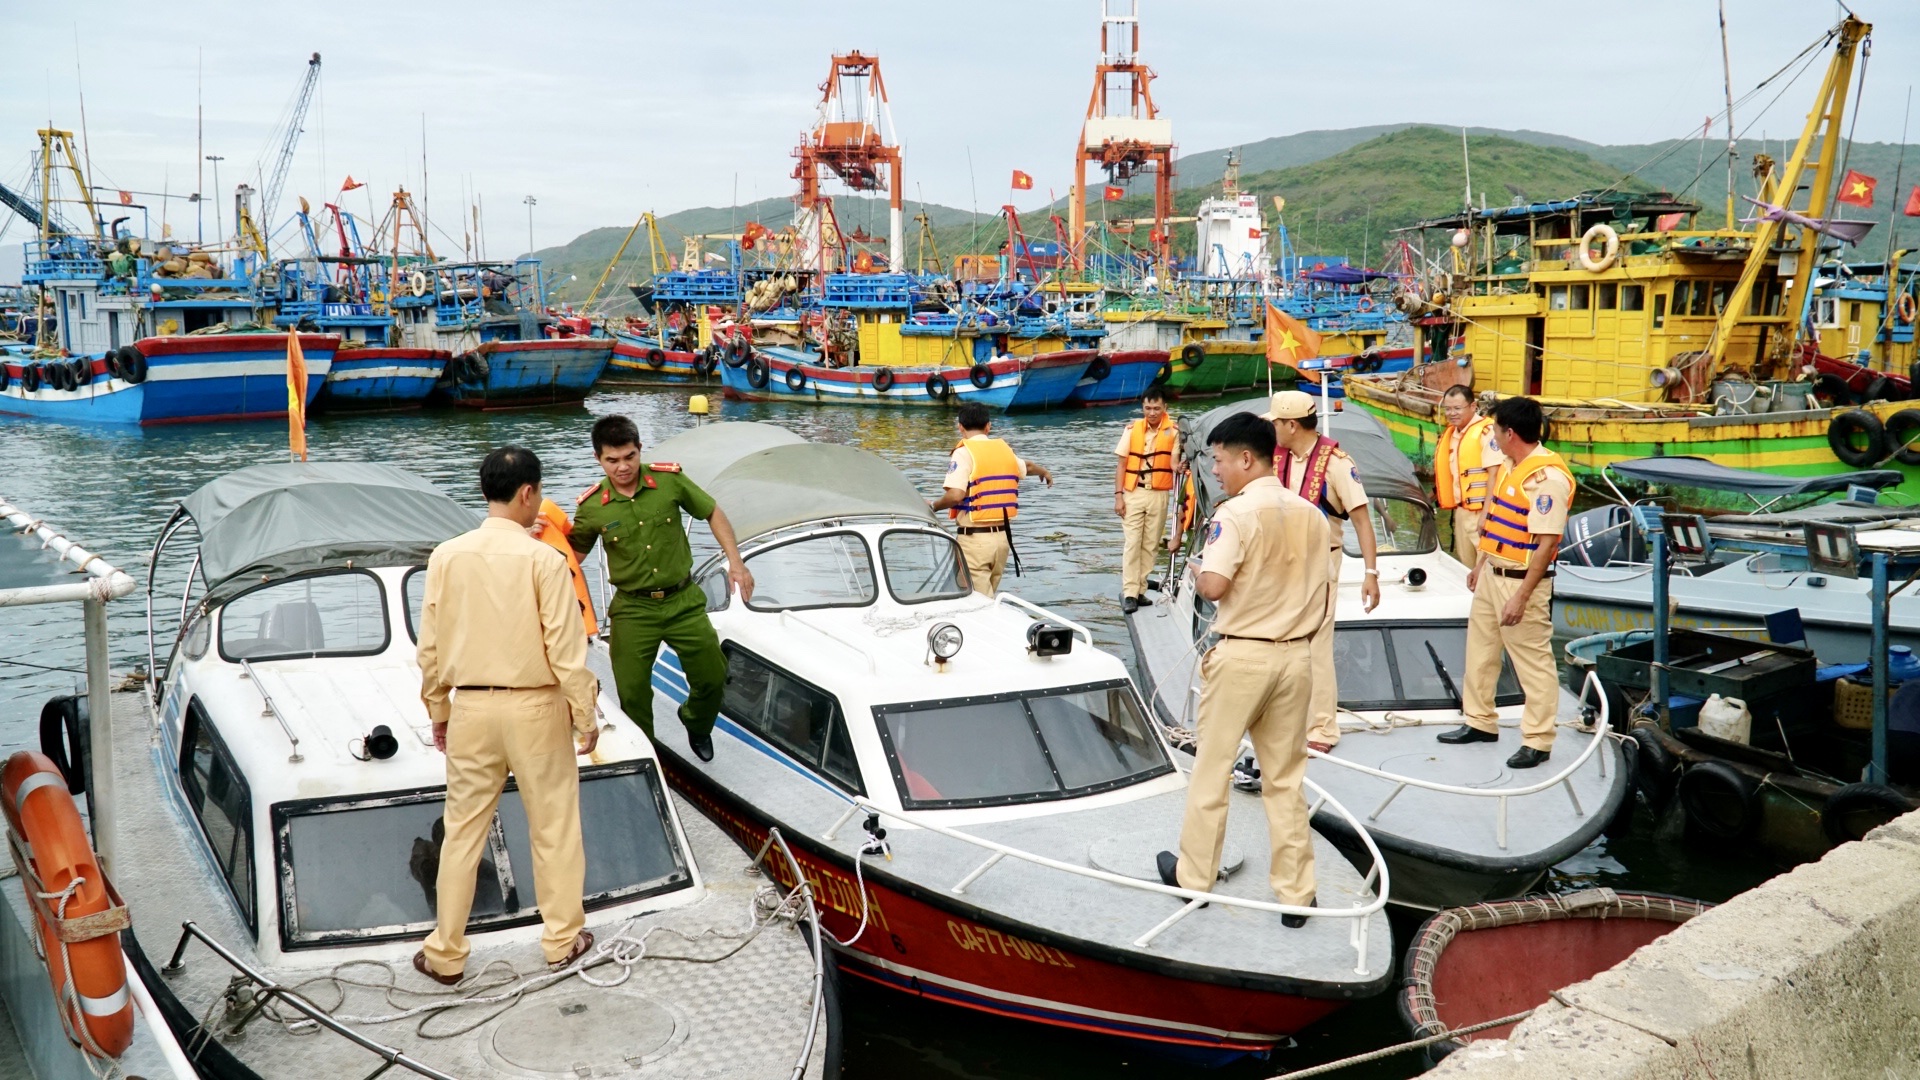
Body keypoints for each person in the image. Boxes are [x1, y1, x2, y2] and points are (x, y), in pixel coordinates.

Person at [414, 445, 601, 985]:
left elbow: (429, 647)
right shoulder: (546, 560)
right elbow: (567, 653)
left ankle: (446, 952)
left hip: (470, 704)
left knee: (463, 832)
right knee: (554, 828)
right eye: (538, 493)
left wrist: (439, 708)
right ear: (527, 493)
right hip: (536, 707)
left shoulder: (445, 556)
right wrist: (585, 717)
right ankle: (562, 941)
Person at [1156, 412, 1329, 925]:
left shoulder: (1234, 514)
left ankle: (1195, 879)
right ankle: (1298, 894)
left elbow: (1212, 587)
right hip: (1295, 655)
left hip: (1244, 655)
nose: (1218, 470)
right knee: (1284, 779)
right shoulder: (1311, 514)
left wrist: (1198, 568)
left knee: (1211, 771)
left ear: (1246, 458)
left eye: (1220, 460)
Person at [569, 415, 753, 763]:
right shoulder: (592, 507)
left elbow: (712, 511)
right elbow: (570, 556)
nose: (623, 467)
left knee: (714, 676)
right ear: (599, 459)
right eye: (613, 460)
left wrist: (736, 563)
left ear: (639, 450)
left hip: (683, 600)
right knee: (633, 692)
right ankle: (648, 757)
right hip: (633, 609)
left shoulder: (670, 481)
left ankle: (697, 722)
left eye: (629, 456)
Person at [1437, 396, 1573, 769]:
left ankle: (1538, 740)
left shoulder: (1547, 479)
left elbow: (1547, 544)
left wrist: (1522, 597)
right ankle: (1480, 721)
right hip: (1493, 573)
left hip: (1519, 582)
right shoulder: (1513, 466)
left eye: (1495, 429)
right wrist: (1481, 564)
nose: (1492, 435)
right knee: (1480, 651)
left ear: (1509, 433)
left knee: (1533, 662)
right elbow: (1498, 522)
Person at [1265, 390, 1379, 754]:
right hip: (1281, 561)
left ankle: (1323, 729)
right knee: (1279, 640)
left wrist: (1371, 573)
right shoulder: (1277, 456)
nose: (1274, 429)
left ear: (1292, 425)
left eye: (1277, 423)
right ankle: (1284, 718)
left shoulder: (1338, 464)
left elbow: (1362, 520)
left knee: (1316, 646)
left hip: (1320, 562)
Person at [930, 402, 1054, 595]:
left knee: (976, 602)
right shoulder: (1004, 450)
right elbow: (1027, 467)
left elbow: (956, 495)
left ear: (960, 426)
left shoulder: (963, 453)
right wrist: (1044, 471)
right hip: (1002, 541)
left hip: (975, 541)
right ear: (988, 426)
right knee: (988, 594)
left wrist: (933, 506)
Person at [1113, 387, 1182, 614]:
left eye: (1156, 408)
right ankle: (1130, 593)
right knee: (1132, 543)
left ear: (1165, 408)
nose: (1152, 412)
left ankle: (1141, 588)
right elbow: (1122, 465)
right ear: (1143, 407)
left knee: (1150, 544)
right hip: (1134, 492)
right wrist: (1118, 497)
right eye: (1148, 408)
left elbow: (1173, 463)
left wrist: (1179, 466)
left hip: (1159, 494)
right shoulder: (1132, 430)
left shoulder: (1174, 432)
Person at [1433, 385, 1497, 565]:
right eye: (1448, 408)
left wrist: (1487, 514)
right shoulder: (1452, 433)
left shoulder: (1487, 431)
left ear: (1473, 406)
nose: (1452, 413)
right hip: (1461, 512)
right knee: (1466, 567)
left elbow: (1495, 474)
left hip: (1481, 511)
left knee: (1486, 566)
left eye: (1457, 408)